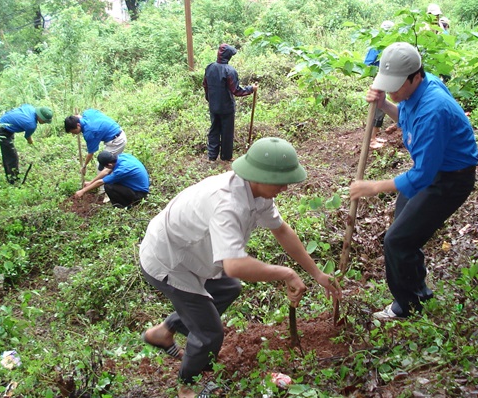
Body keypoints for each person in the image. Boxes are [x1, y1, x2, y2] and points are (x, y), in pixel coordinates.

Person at [139, 137, 342, 398]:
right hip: (169, 260)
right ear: (260, 176)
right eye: (281, 181)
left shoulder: (256, 192)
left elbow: (281, 230)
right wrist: (286, 273)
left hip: (193, 253)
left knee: (228, 289)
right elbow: (234, 265)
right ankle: (187, 386)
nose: (286, 187)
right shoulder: (227, 203)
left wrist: (317, 273)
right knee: (210, 334)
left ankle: (163, 332)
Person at [349, 42, 478, 320]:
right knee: (404, 231)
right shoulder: (418, 90)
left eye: (395, 86)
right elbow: (408, 119)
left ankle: (409, 306)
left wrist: (373, 187)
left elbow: (423, 175)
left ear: (415, 76)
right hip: (435, 171)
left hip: (450, 180)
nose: (393, 91)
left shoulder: (434, 109)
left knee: (397, 241)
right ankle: (417, 289)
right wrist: (384, 103)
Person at [202, 43, 257, 162]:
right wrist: (251, 89)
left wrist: (209, 99)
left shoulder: (210, 67)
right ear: (228, 56)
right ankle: (226, 157)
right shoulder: (230, 71)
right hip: (226, 107)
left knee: (214, 130)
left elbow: (205, 85)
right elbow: (236, 90)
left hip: (214, 106)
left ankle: (212, 157)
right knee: (227, 132)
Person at [0, 105, 53, 184]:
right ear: (40, 116)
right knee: (11, 156)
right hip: (2, 130)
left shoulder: (30, 108)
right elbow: (27, 137)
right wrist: (32, 144)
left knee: (8, 153)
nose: (44, 123)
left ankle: (12, 175)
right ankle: (13, 180)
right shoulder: (31, 124)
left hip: (5, 124)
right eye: (44, 121)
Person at [73, 151, 149, 208]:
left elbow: (101, 182)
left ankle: (123, 206)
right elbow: (106, 171)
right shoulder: (122, 156)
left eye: (106, 166)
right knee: (112, 182)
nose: (106, 168)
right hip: (137, 186)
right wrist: (91, 182)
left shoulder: (121, 170)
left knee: (108, 186)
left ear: (110, 164)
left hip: (139, 194)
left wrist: (83, 191)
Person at [64, 109, 127, 176]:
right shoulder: (87, 113)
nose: (73, 134)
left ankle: (104, 185)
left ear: (78, 125)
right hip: (117, 131)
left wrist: (84, 166)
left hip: (117, 142)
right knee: (112, 162)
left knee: (102, 165)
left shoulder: (89, 133)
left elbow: (90, 153)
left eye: (73, 131)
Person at [363, 20, 396, 150]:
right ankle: (371, 140)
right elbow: (368, 62)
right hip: (381, 78)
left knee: (381, 107)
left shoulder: (390, 43)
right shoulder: (378, 44)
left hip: (389, 78)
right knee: (377, 107)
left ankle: (374, 137)